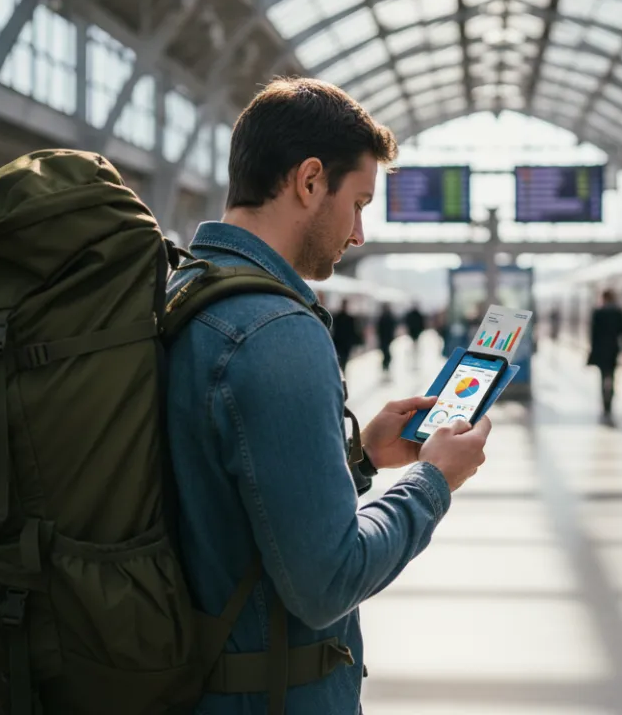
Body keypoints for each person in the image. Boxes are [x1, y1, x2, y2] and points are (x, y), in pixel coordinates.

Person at [166, 77, 492, 715]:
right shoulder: (277, 332)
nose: (360, 233)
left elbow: (224, 500)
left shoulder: (185, 291)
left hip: (191, 680)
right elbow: (328, 581)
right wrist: (434, 481)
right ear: (310, 181)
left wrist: (360, 460)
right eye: (360, 202)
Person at [587, 289, 622, 423]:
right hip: (613, 351)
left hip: (600, 351)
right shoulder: (619, 313)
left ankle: (605, 404)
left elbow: (593, 335)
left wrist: (592, 351)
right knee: (611, 376)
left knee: (603, 377)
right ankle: (609, 401)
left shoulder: (598, 313)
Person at [331, 298, 359, 370]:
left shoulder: (337, 317)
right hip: (343, 344)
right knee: (342, 361)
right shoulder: (349, 318)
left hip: (341, 344)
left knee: (341, 361)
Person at [376, 302, 397, 373]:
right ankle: (385, 365)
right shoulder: (384, 317)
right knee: (385, 352)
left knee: (386, 352)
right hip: (384, 338)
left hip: (386, 338)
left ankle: (385, 365)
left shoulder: (386, 317)